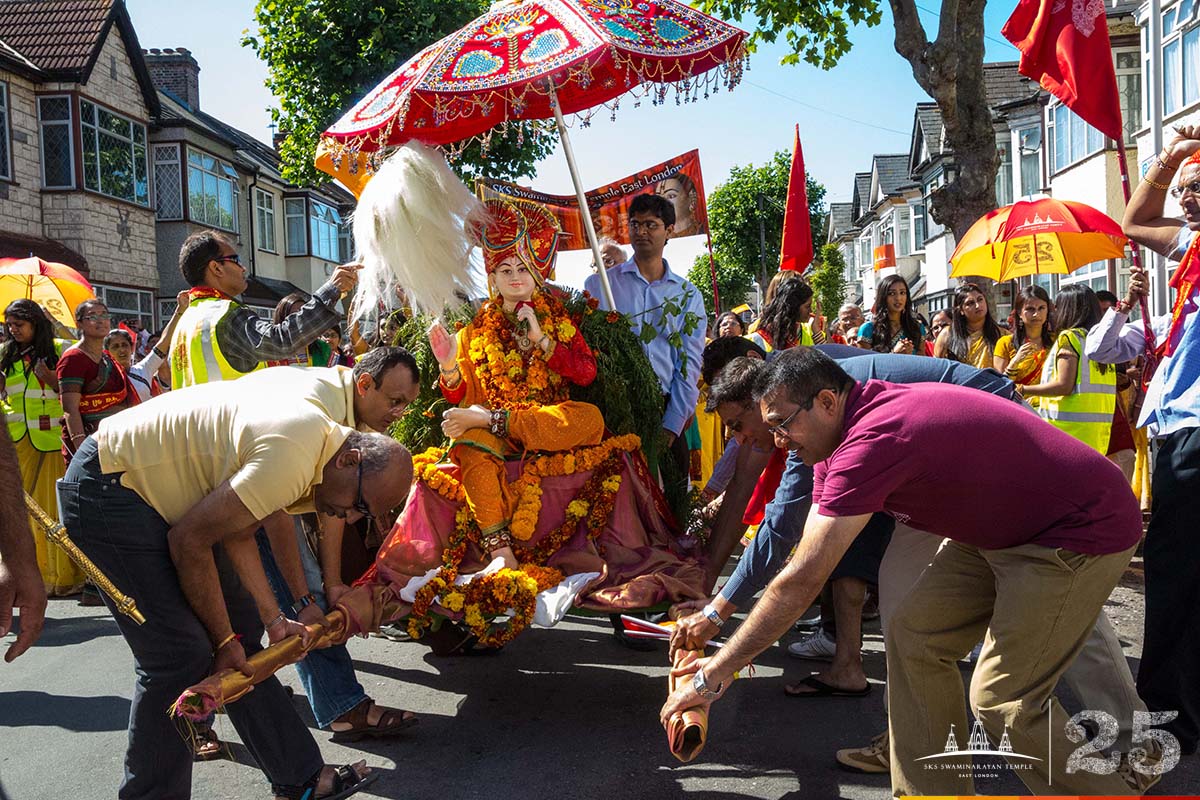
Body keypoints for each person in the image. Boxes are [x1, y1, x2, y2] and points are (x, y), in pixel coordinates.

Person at [661, 348, 1142, 796]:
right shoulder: (832, 440)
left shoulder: (872, 438)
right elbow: (803, 554)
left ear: (827, 401)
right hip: (1003, 526)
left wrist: (713, 674)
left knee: (1003, 701)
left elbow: (801, 579)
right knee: (914, 634)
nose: (778, 442)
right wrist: (721, 626)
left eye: (781, 425)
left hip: (1077, 530)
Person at [57, 377, 411, 800]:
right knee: (178, 654)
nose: (352, 518)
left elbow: (260, 521)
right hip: (107, 487)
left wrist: (294, 609)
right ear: (350, 460)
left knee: (241, 636)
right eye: (360, 505)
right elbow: (190, 540)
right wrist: (223, 638)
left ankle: (299, 779)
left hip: (154, 495)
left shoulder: (318, 443)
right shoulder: (293, 450)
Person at [235, 351, 423, 742]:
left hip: (256, 492)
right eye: (395, 401)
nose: (401, 412)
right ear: (365, 384)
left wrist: (334, 583)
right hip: (237, 492)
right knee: (303, 598)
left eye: (408, 404)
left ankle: (327, 701)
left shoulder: (352, 411)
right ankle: (340, 706)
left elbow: (334, 508)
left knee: (308, 593)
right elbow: (285, 514)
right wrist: (308, 597)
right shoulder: (312, 414)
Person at [1086, 125, 1200, 756]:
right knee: (1179, 571)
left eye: (1196, 188)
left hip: (1195, 429)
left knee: (1177, 572)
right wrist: (1174, 155)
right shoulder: (1192, 248)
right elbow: (1133, 221)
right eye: (1183, 192)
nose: (1185, 200)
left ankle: (1173, 717)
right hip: (1179, 427)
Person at [430, 196, 604, 566]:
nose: (514, 277)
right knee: (470, 445)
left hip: (547, 421)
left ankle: (490, 420)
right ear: (492, 278)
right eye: (505, 269)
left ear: (536, 275)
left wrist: (542, 338)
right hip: (494, 428)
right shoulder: (474, 330)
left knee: (590, 417)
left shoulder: (557, 319)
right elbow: (460, 392)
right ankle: (500, 550)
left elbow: (586, 373)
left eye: (522, 268)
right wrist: (447, 364)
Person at [584, 193, 706, 489]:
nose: (641, 232)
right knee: (616, 504)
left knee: (671, 505)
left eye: (651, 225)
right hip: (614, 413)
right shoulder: (599, 285)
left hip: (666, 412)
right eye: (635, 224)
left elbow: (689, 365)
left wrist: (673, 423)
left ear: (670, 230)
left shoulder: (687, 295)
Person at [170, 230, 358, 388]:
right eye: (235, 259)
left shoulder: (184, 323)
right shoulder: (223, 315)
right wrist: (331, 290)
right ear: (216, 268)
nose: (243, 268)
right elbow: (281, 341)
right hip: (231, 429)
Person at [2, 300, 84, 597]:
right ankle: (23, 577)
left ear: (35, 323)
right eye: (10, 325)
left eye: (19, 324)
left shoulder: (60, 348)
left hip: (51, 439)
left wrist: (52, 380)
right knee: (19, 510)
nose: (13, 330)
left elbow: (85, 367)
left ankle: (58, 575)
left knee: (50, 508)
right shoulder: (5, 353)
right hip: (16, 441)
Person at [1020, 285, 1116, 455]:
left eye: (1057, 307)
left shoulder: (1070, 337)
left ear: (1068, 309)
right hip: (1097, 434)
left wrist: (1023, 389)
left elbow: (1064, 385)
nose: (1054, 312)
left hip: (1066, 432)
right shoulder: (1102, 342)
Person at [104, 291, 190, 403]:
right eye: (115, 347)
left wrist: (180, 310)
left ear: (132, 348)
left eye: (125, 345)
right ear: (107, 351)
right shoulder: (102, 378)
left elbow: (164, 341)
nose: (121, 350)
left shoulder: (143, 370)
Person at [993, 285, 1053, 390]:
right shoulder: (1005, 343)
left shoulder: (1057, 340)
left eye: (1041, 308)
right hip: (1018, 404)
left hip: (1050, 404)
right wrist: (1015, 361)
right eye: (1030, 309)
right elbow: (1000, 386)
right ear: (1019, 313)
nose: (1036, 314)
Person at [933, 282, 1003, 367]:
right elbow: (937, 367)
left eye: (980, 299)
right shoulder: (947, 335)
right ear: (961, 310)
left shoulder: (1002, 335)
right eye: (970, 303)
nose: (977, 305)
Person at [857, 275, 924, 355]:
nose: (898, 298)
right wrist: (895, 354)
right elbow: (865, 364)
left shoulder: (917, 328)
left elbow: (922, 362)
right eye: (892, 293)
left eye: (902, 293)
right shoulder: (868, 329)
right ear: (883, 297)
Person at [746, 278, 815, 353]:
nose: (811, 311)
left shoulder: (810, 331)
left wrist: (817, 332)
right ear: (794, 307)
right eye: (807, 306)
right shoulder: (754, 341)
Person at [657, 173, 701, 237]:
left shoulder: (703, 230)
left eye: (671, 196)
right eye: (658, 198)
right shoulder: (655, 241)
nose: (662, 203)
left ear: (692, 199)